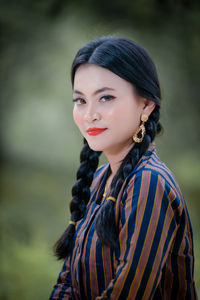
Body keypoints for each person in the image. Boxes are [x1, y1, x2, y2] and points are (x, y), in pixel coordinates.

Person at [49, 36, 197, 300]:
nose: (89, 114)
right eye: (80, 100)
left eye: (105, 97)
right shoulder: (97, 181)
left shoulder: (150, 183)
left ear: (146, 104)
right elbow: (68, 281)